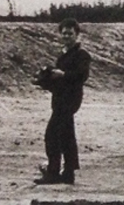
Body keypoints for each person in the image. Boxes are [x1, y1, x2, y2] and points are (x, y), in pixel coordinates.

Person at [33, 18, 91, 185]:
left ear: (77, 34)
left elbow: (81, 76)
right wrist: (44, 81)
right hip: (60, 99)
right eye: (64, 33)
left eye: (70, 33)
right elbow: (60, 81)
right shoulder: (63, 55)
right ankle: (68, 173)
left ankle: (53, 172)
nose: (66, 36)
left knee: (52, 135)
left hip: (70, 100)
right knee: (66, 135)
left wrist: (62, 74)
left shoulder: (82, 55)